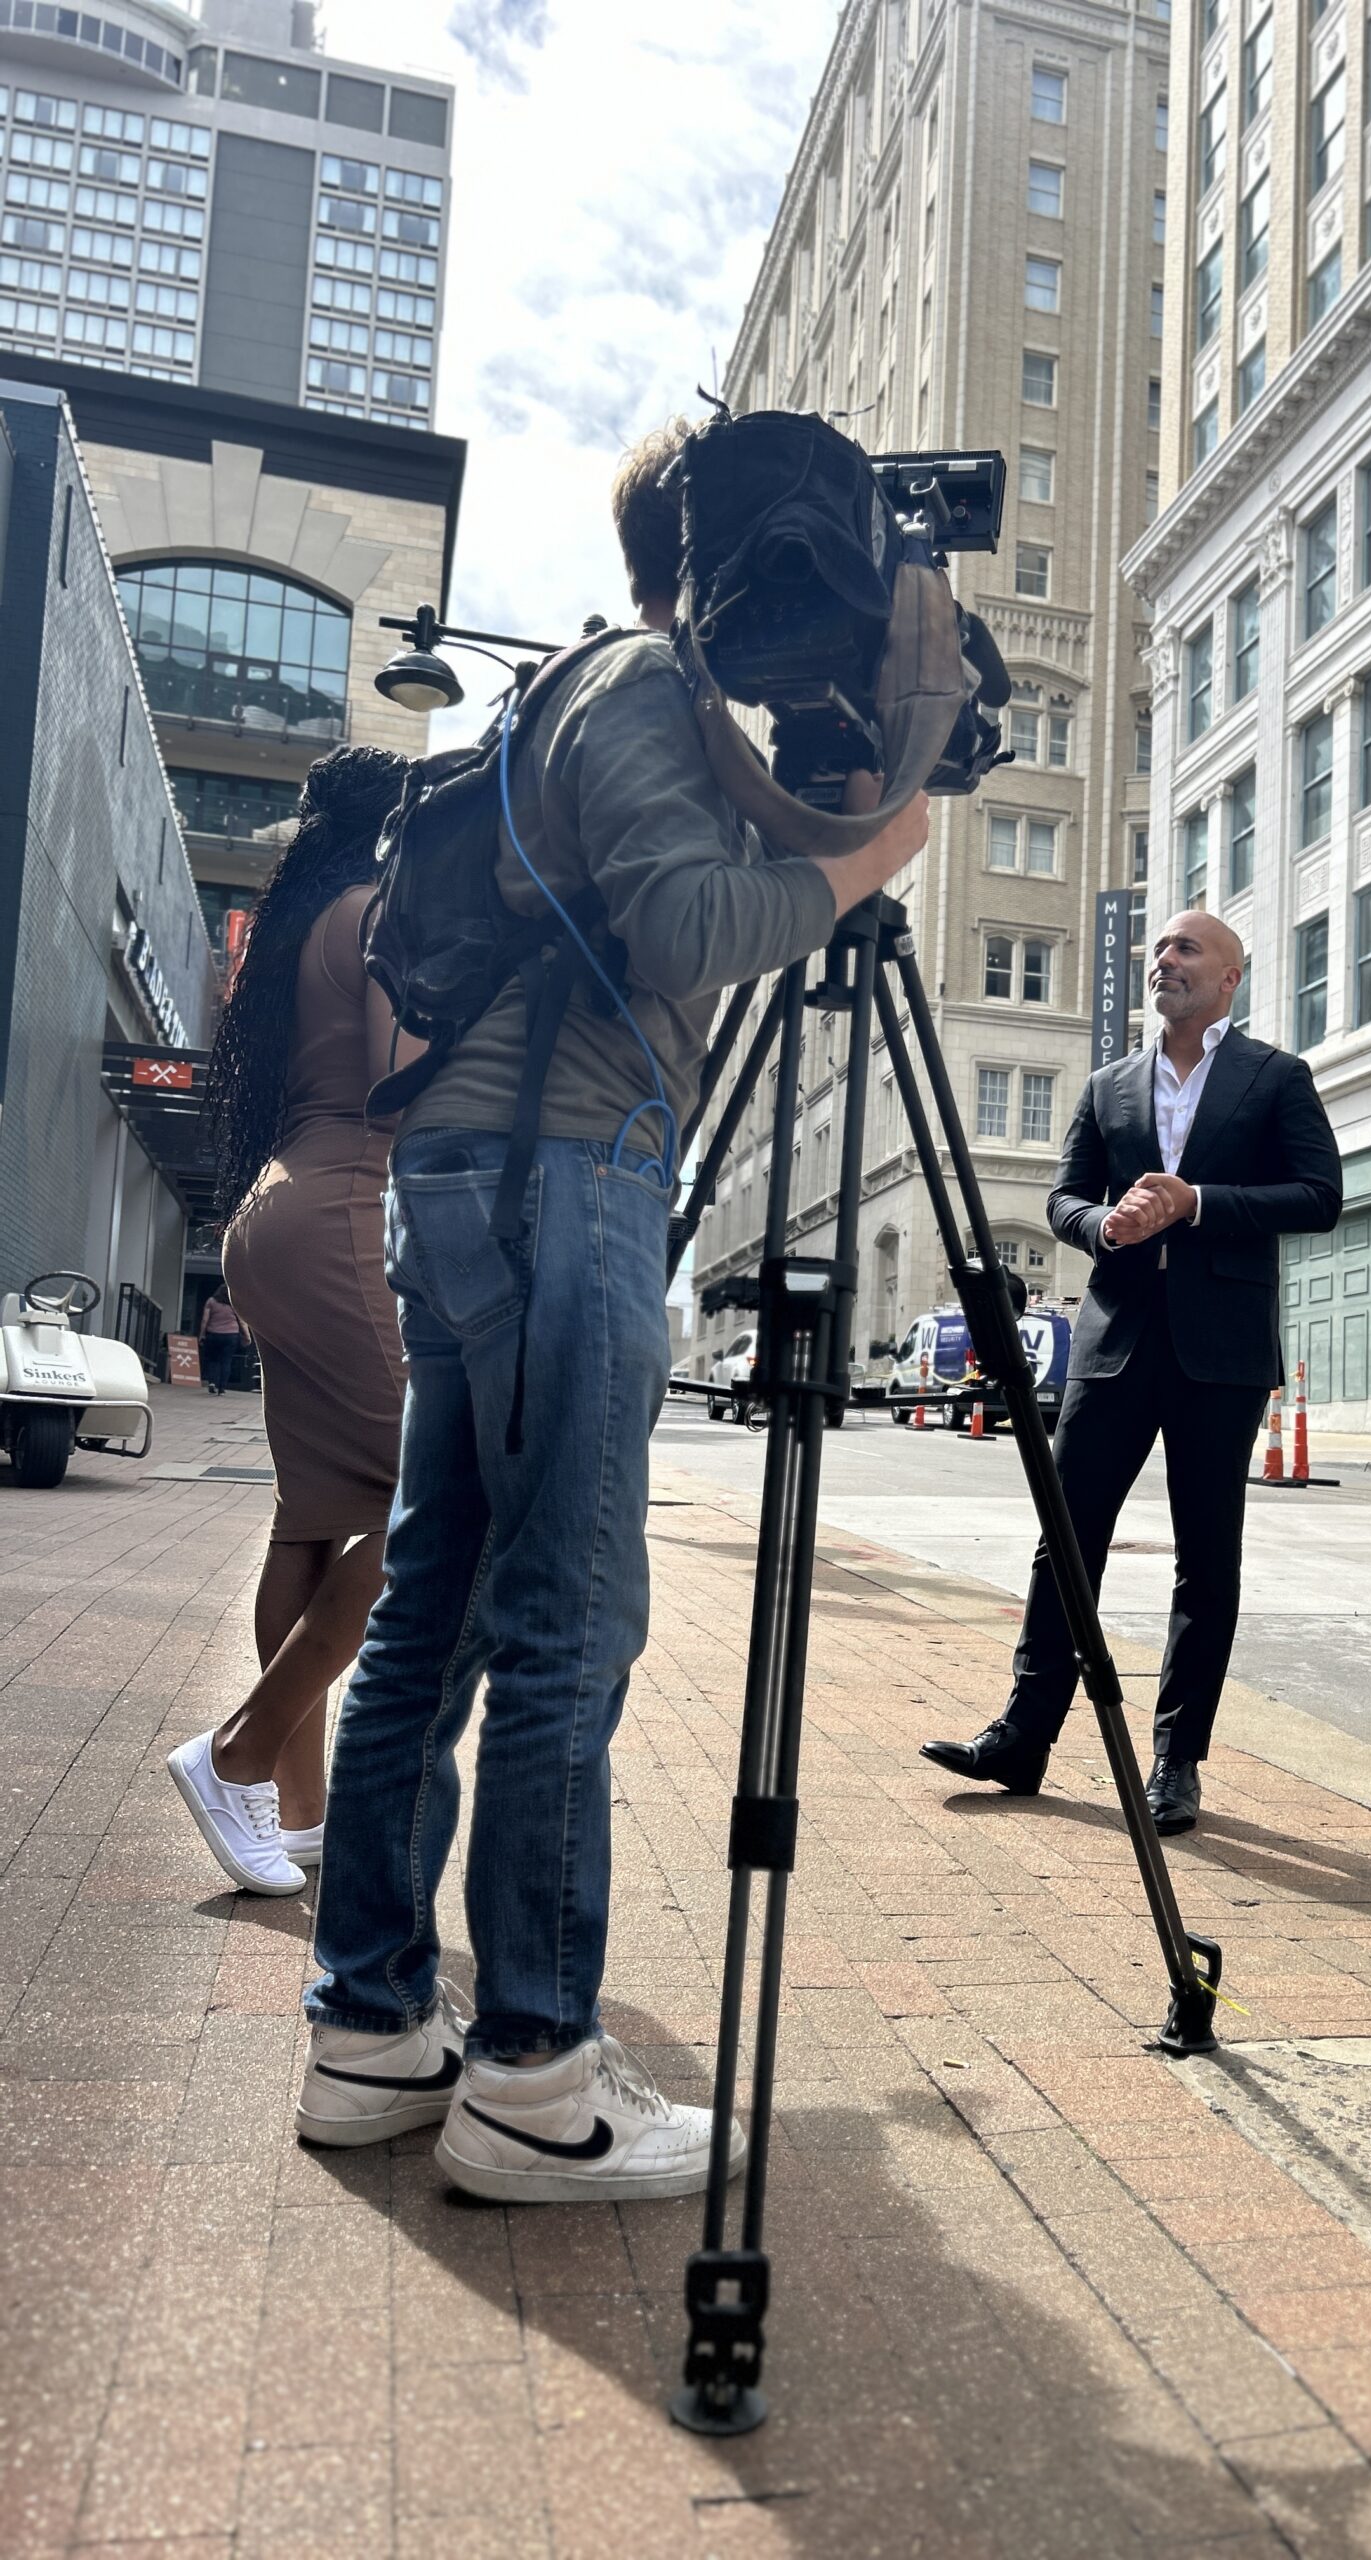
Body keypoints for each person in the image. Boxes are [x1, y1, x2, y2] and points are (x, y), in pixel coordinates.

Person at [295, 421, 930, 2201]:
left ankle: (371, 2030)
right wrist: (873, 853)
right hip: (561, 1173)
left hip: (481, 1176)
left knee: (434, 1616)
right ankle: (534, 2079)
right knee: (565, 1621)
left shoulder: (576, 686)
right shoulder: (644, 682)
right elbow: (681, 929)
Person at [923, 911, 1342, 1835]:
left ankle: (1177, 1764)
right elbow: (1063, 1196)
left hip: (1220, 1351)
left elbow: (1320, 1196)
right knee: (1066, 1540)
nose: (1164, 960)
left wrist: (1199, 1203)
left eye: (1186, 949)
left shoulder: (1276, 1077)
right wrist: (1101, 1226)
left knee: (1206, 1558)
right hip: (1113, 1341)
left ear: (1229, 978)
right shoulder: (1108, 1083)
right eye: (1158, 950)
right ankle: (1024, 1736)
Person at [167, 747, 415, 1899]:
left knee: (315, 1514)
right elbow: (401, 1077)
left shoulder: (305, 921)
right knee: (436, 1498)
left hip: (274, 1216)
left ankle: (300, 1811)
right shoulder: (382, 914)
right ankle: (238, 1753)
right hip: (341, 1215)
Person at [196, 1284, 245, 1395]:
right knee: (226, 1361)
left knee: (213, 1360)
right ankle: (222, 1389)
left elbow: (205, 1320)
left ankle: (212, 1382)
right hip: (231, 1335)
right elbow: (241, 1321)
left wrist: (202, 1334)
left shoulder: (211, 1301)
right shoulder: (234, 1303)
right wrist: (246, 1336)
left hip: (214, 1334)